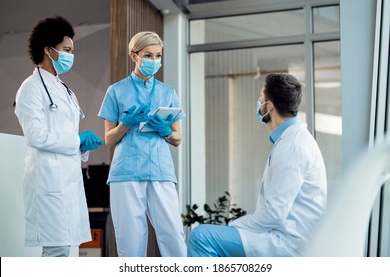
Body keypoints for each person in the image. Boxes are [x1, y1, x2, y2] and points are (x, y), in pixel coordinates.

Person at [187, 73, 327, 257]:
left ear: (269, 106)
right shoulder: (291, 140)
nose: (258, 101)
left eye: (261, 96)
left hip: (288, 244)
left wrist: (233, 226)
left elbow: (274, 214)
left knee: (201, 237)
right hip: (282, 236)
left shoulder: (293, 146)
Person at [14, 16, 103, 257]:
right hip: (47, 181)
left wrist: (83, 146)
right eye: (66, 50)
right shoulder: (31, 88)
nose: (70, 56)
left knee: (65, 249)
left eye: (72, 50)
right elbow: (36, 136)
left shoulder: (63, 89)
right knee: (56, 251)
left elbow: (65, 134)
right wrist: (77, 140)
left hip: (68, 179)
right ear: (47, 50)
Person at [98, 31, 187, 257]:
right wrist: (125, 124)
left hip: (160, 170)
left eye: (158, 56)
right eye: (148, 55)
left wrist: (166, 130)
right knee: (130, 239)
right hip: (126, 172)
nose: (154, 61)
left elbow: (177, 138)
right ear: (133, 55)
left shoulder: (168, 92)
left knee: (173, 235)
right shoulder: (116, 91)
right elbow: (108, 138)